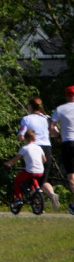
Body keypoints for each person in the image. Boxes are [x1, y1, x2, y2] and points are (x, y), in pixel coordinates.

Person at [20, 97, 61, 210]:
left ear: (30, 106)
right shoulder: (47, 118)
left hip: (33, 148)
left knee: (31, 175)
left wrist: (24, 139)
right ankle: (52, 195)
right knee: (43, 180)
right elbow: (55, 133)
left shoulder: (26, 119)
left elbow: (21, 135)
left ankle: (37, 204)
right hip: (46, 149)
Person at [50, 85, 74, 214]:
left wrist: (58, 135)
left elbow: (52, 127)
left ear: (66, 96)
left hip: (68, 143)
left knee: (71, 176)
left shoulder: (60, 109)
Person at [4, 129, 46, 203]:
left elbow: (16, 159)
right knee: (33, 177)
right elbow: (44, 160)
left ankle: (18, 198)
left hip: (30, 171)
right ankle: (37, 189)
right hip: (40, 171)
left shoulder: (25, 148)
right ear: (35, 139)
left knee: (17, 180)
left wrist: (8, 163)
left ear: (25, 138)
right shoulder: (39, 148)